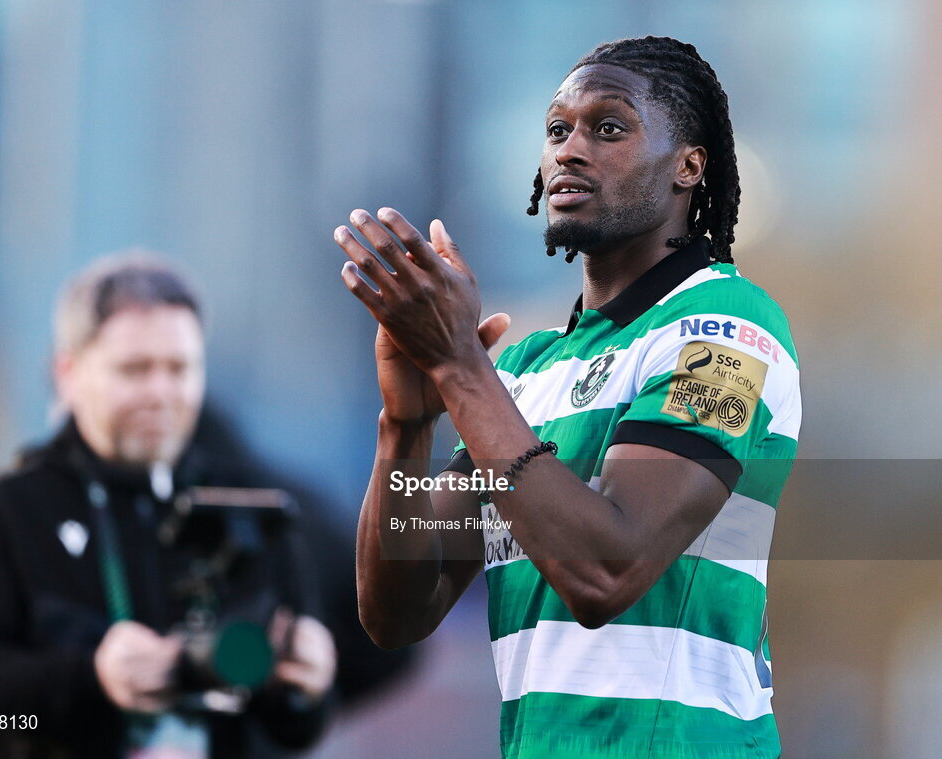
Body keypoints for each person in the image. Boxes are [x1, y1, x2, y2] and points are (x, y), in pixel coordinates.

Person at [334, 36, 800, 758]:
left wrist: (460, 365)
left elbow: (605, 570)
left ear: (689, 166)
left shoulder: (731, 328)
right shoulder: (519, 372)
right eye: (558, 130)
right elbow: (397, 614)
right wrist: (404, 423)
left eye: (608, 127)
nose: (570, 150)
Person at [0, 253, 337, 759]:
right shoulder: (4, 513)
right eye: (134, 370)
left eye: (179, 368)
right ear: (68, 373)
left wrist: (306, 690)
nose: (160, 392)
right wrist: (90, 681)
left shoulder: (253, 512)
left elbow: (297, 731)